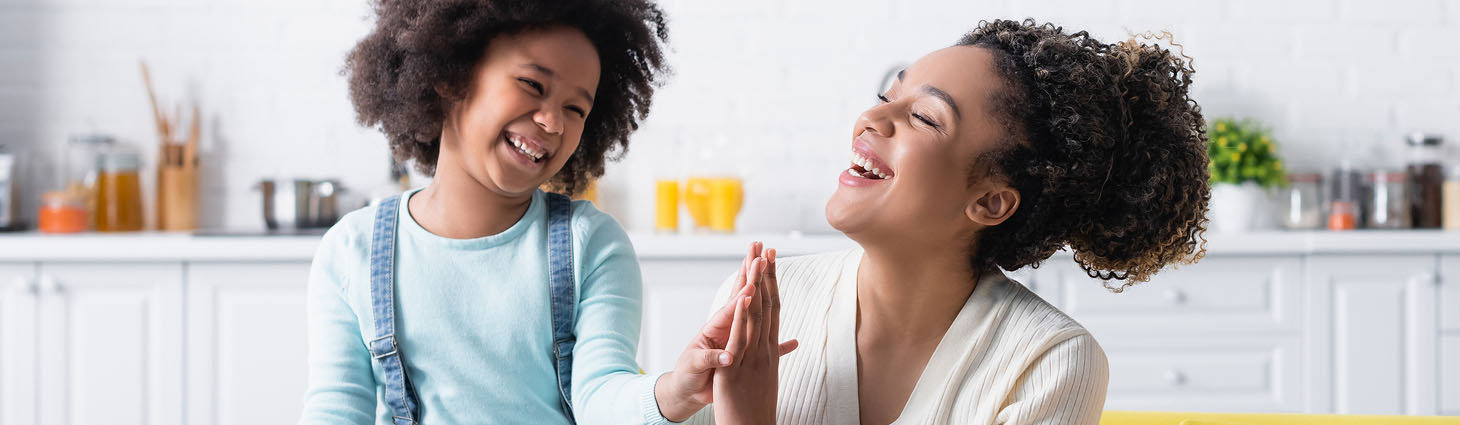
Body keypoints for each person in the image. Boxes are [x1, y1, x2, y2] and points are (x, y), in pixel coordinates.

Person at [686, 18, 1213, 425]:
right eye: (888, 97)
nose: (871, 119)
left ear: (989, 203)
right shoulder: (764, 298)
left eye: (923, 117)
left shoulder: (1049, 362)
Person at [300, 1, 790, 423]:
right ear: (450, 76)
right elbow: (335, 409)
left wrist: (674, 390)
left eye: (577, 109)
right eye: (533, 85)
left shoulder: (591, 244)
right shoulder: (352, 252)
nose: (553, 121)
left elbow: (601, 393)